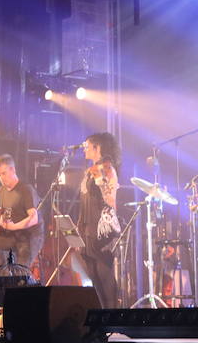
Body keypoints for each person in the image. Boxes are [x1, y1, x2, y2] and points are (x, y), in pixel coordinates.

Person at [0, 154, 44, 272]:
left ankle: (18, 281)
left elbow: (34, 219)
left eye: (4, 173)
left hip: (29, 237)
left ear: (12, 170)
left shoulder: (26, 190)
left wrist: (13, 226)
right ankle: (4, 275)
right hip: (12, 236)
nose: (1, 177)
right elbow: (9, 209)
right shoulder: (1, 191)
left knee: (20, 273)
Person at [77, 132, 122, 308]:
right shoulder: (91, 169)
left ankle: (112, 315)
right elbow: (84, 199)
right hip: (88, 226)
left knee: (104, 272)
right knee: (92, 272)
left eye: (88, 146)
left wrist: (100, 180)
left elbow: (111, 200)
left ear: (97, 148)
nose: (84, 150)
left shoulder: (107, 168)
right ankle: (102, 313)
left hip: (101, 229)